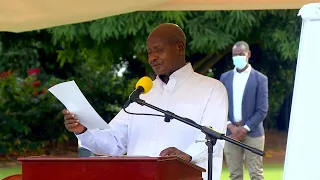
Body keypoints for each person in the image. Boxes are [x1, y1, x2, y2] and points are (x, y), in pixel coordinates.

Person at [63, 23, 228, 180]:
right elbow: (113, 142)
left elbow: (212, 139)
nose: (152, 58)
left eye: (158, 50)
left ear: (179, 47)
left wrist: (186, 155)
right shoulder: (143, 94)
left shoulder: (211, 89)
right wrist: (83, 130)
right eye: (149, 52)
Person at [220, 41, 268, 180]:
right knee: (235, 175)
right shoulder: (225, 77)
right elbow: (221, 105)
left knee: (256, 174)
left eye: (241, 54)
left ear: (248, 54)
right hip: (230, 132)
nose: (238, 57)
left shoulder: (260, 79)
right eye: (235, 55)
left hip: (253, 133)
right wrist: (231, 126)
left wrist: (244, 128)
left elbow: (262, 109)